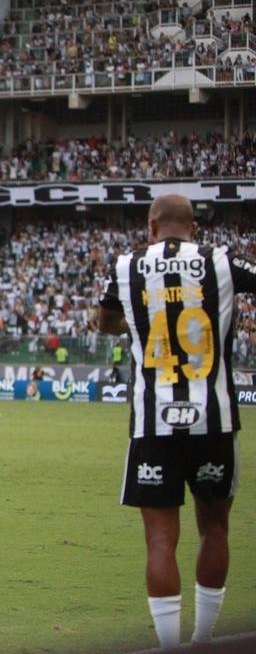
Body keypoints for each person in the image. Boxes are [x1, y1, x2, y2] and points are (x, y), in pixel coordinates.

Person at [97, 194, 256, 649]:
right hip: (214, 419)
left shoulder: (125, 265)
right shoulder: (221, 260)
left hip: (154, 423)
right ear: (196, 228)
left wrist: (142, 319)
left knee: (161, 541)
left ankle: (170, 647)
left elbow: (106, 321)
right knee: (216, 528)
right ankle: (205, 639)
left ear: (150, 228)